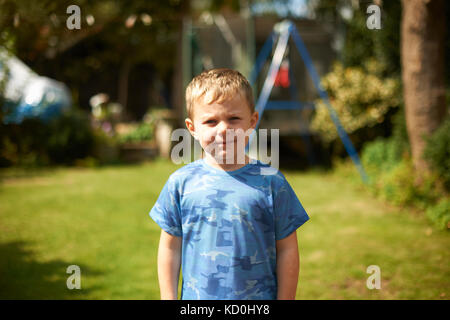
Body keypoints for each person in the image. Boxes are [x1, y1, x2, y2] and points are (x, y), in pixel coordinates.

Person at [149, 68, 310, 300]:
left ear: (252, 121)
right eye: (211, 121)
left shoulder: (272, 183)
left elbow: (287, 249)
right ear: (192, 128)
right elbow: (170, 248)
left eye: (233, 119)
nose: (223, 129)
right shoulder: (180, 184)